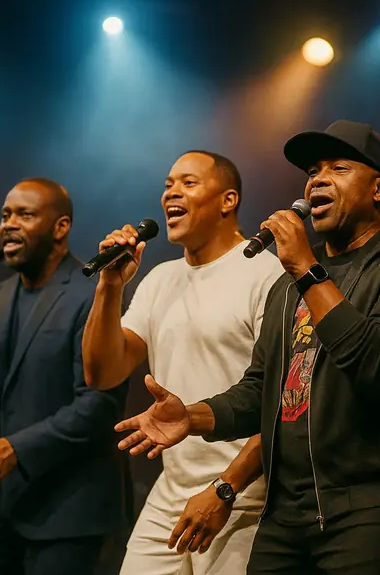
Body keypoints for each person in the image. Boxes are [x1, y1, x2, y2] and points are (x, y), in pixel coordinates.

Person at [113, 120, 380, 575]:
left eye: (338, 167)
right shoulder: (290, 285)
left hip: (372, 504)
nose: (317, 179)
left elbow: (379, 366)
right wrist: (190, 416)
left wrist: (307, 269)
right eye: (313, 171)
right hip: (288, 507)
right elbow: (262, 390)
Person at [82, 151, 282, 574]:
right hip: (169, 492)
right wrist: (109, 286)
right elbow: (102, 373)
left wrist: (226, 489)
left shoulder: (268, 274)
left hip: (244, 495)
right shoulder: (160, 279)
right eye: (168, 184)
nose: (171, 192)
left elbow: (283, 398)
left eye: (188, 183)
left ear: (228, 200)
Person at [0, 178, 130, 575]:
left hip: (63, 513)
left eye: (25, 214)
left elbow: (100, 404)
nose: (9, 224)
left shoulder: (93, 293)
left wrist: (16, 449)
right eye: (5, 215)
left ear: (61, 227)